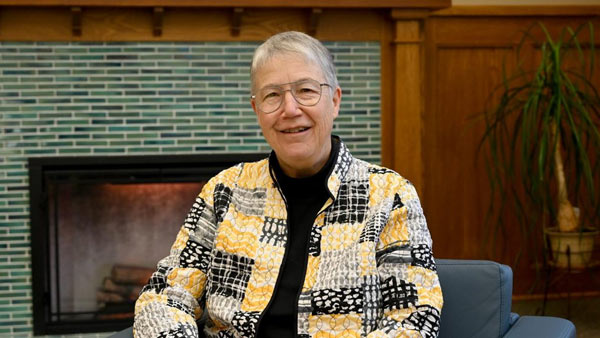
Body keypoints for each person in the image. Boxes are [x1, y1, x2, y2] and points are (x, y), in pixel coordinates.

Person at [134, 31, 443, 338]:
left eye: (306, 90)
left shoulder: (390, 195)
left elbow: (414, 320)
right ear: (257, 111)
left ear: (334, 101)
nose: (290, 109)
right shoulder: (223, 191)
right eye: (272, 95)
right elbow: (164, 296)